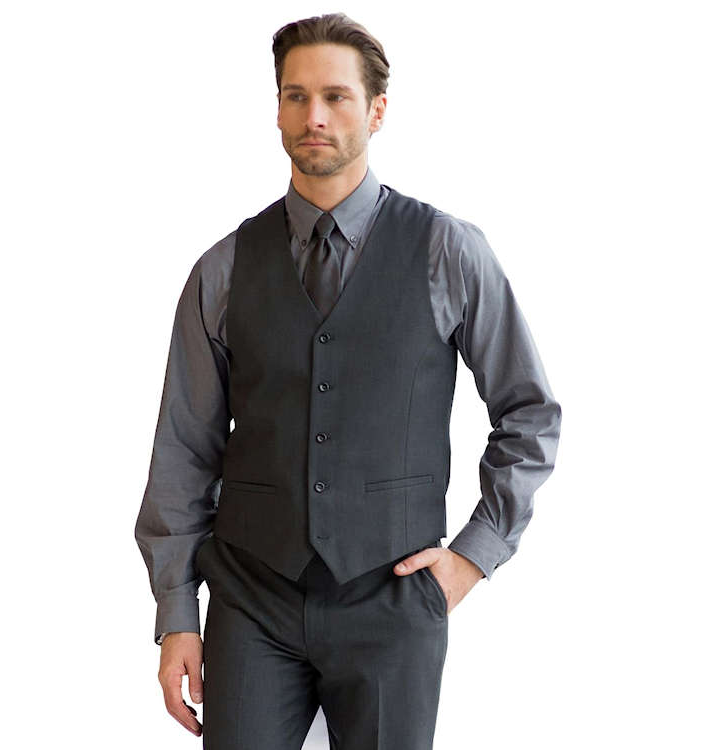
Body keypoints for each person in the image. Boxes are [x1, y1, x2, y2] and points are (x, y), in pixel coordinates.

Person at [134, 12, 562, 749]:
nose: (315, 117)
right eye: (296, 97)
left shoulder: (448, 252)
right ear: (277, 109)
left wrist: (473, 557)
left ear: (377, 110)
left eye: (335, 96)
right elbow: (184, 449)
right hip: (250, 599)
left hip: (393, 600)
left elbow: (529, 412)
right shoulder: (223, 269)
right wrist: (177, 612)